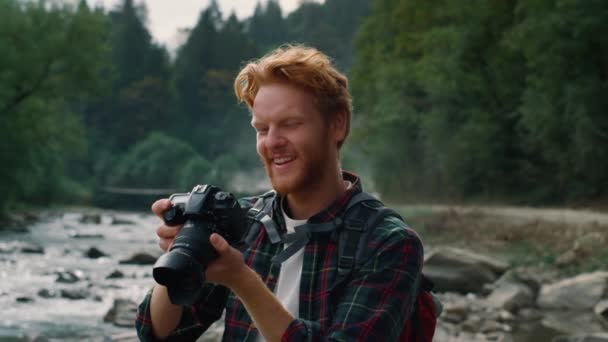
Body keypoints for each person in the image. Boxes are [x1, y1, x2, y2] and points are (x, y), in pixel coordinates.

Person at [135, 45, 424, 341]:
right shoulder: (241, 222)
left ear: (337, 124)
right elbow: (158, 334)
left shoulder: (388, 242)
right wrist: (180, 249)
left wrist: (242, 281)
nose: (271, 142)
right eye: (262, 129)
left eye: (290, 124)